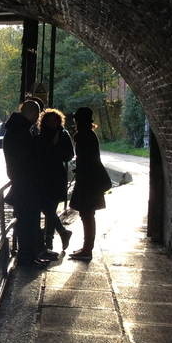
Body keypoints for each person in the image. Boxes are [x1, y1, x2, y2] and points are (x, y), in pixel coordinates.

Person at [1, 98, 51, 267]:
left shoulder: (17, 128)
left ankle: (29, 256)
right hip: (27, 185)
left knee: (28, 222)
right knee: (28, 223)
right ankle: (27, 258)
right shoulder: (21, 131)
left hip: (24, 183)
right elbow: (25, 159)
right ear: (33, 113)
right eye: (37, 114)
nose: (37, 118)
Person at [68, 107, 111, 261]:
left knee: (86, 214)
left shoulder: (82, 136)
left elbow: (85, 160)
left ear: (78, 121)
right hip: (92, 181)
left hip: (87, 182)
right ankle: (87, 248)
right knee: (88, 214)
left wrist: (79, 174)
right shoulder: (90, 135)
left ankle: (87, 250)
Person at [37, 108, 74, 252]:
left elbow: (68, 156)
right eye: (50, 121)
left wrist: (55, 145)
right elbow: (40, 154)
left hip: (57, 175)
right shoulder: (41, 135)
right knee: (46, 207)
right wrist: (51, 144)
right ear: (45, 122)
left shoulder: (63, 135)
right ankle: (58, 235)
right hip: (43, 176)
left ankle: (50, 240)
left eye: (55, 120)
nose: (53, 123)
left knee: (49, 208)